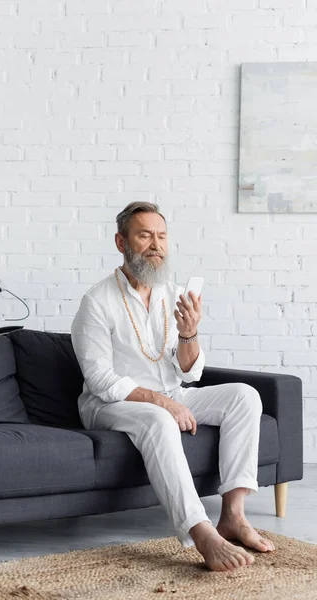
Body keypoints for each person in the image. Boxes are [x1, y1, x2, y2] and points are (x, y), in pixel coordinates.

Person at [71, 201, 275, 572]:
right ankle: (201, 532)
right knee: (159, 420)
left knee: (245, 396)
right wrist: (162, 404)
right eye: (144, 235)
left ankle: (233, 515)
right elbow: (100, 380)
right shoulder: (96, 302)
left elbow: (188, 373)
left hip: (169, 393)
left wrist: (189, 333)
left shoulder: (170, 292)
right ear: (121, 242)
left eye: (161, 236)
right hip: (111, 403)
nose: (156, 244)